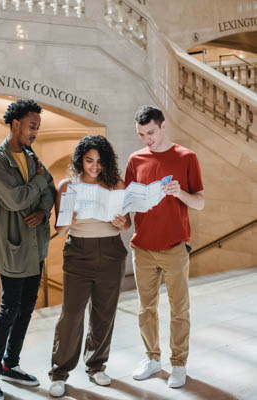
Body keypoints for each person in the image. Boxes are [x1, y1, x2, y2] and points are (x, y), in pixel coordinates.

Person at [125, 105, 204, 388]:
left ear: (163, 126)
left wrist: (180, 192)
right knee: (146, 309)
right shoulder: (135, 160)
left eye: (151, 133)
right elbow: (129, 201)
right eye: (142, 134)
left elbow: (200, 201)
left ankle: (179, 364)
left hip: (174, 246)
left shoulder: (186, 157)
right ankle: (152, 359)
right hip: (142, 247)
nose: (147, 139)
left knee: (179, 309)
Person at [0, 99, 55, 400]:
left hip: (35, 246)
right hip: (13, 249)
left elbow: (49, 188)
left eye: (37, 127)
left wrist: (42, 212)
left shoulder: (30, 153)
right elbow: (14, 199)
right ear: (15, 124)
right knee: (8, 309)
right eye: (32, 126)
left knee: (27, 308)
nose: (35, 132)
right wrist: (38, 182)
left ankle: (10, 365)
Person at [48, 135, 131, 397]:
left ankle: (96, 366)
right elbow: (59, 230)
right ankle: (59, 372)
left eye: (99, 161)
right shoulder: (67, 187)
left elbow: (127, 223)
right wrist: (67, 220)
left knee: (104, 313)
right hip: (79, 253)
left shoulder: (117, 184)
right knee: (71, 315)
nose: (94, 166)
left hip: (111, 251)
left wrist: (122, 223)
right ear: (80, 160)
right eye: (89, 160)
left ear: (107, 162)